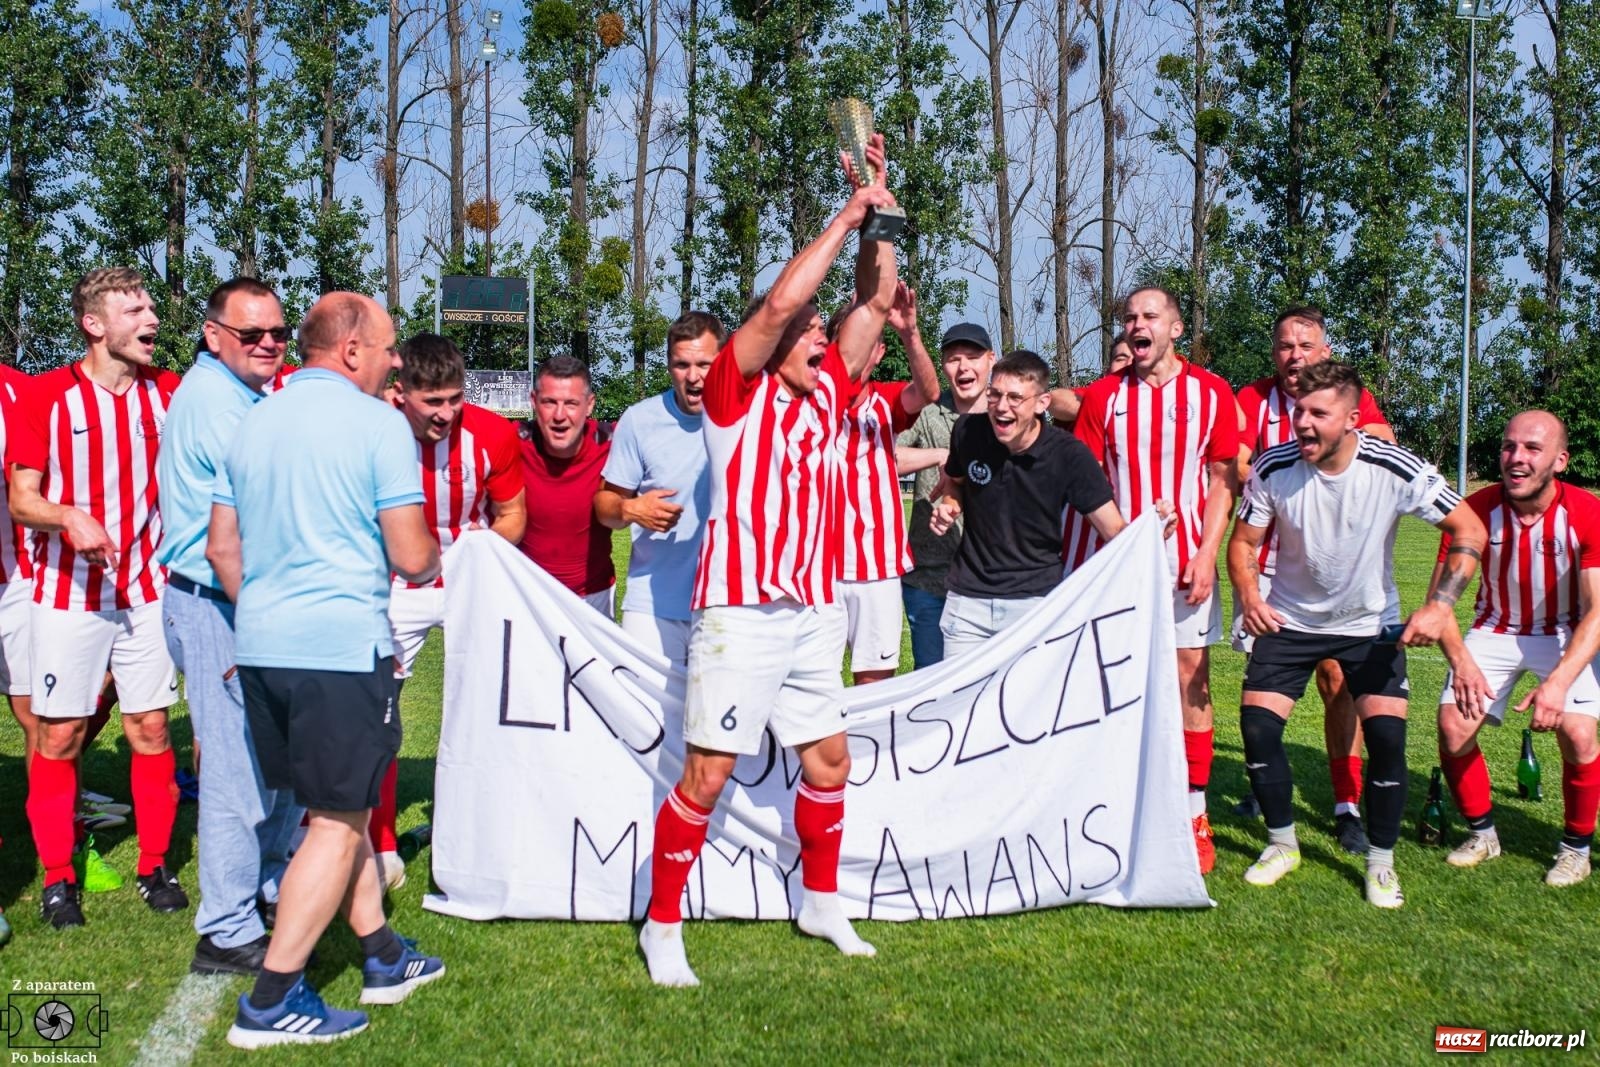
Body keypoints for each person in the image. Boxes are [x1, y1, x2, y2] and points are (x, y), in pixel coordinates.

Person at [638, 138, 900, 988]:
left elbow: (875, 299)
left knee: (829, 761)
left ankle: (820, 899)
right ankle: (662, 922)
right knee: (708, 772)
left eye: (824, 330)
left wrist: (878, 199)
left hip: (814, 610)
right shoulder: (730, 394)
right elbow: (789, 297)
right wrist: (844, 215)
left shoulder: (830, 393)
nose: (825, 334)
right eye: (810, 329)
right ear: (777, 336)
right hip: (741, 610)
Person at [211, 293, 445, 1047]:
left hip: (262, 645)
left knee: (323, 813)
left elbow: (222, 547)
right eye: (385, 348)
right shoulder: (378, 422)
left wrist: (267, 613)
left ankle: (379, 954)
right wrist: (435, 553)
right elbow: (413, 556)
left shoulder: (252, 419)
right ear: (350, 350)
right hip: (340, 648)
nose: (395, 361)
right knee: (340, 822)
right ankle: (272, 998)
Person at [1228, 360, 1484, 908]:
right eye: (1298, 410)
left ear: (1350, 419)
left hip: (1370, 625)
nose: (1301, 422)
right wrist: (1251, 597)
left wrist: (1440, 608)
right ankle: (1281, 844)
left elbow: (1469, 528)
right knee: (1257, 729)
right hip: (1290, 621)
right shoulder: (1273, 467)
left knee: (1388, 741)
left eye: (1318, 413)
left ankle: (1382, 865)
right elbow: (1243, 544)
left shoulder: (1391, 465)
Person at [11, 267, 188, 929]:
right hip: (66, 595)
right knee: (59, 735)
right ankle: (58, 877)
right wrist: (67, 516)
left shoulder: (168, 393)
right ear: (94, 325)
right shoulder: (50, 397)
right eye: (135, 309)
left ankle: (155, 861)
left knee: (149, 727)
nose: (151, 319)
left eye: (151, 306)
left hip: (146, 592)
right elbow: (22, 499)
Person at [1066, 286, 1241, 875]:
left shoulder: (1212, 392)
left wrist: (1206, 552)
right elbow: (1085, 479)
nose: (1136, 326)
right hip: (1114, 561)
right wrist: (1116, 548)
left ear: (1175, 327)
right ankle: (1108, 804)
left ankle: (1193, 812)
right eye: (1128, 318)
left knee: (1191, 678)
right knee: (1105, 679)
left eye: (1149, 316)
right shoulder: (1104, 397)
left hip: (1183, 562)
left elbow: (1223, 479)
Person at [157, 278, 303, 975]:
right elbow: (258, 510)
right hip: (219, 601)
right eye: (253, 335)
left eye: (278, 332)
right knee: (238, 772)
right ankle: (225, 926)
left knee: (275, 762)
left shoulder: (240, 394)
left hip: (239, 599)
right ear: (214, 334)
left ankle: (268, 886)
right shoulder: (217, 401)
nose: (270, 343)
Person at [1233, 305, 1395, 853]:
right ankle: (1266, 784)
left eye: (1306, 346)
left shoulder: (1350, 395)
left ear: (1324, 352)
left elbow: (1380, 444)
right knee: (1261, 680)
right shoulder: (1251, 399)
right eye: (1284, 346)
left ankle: (1346, 802)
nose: (1294, 356)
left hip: (1328, 562)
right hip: (1266, 558)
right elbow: (1235, 465)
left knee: (1335, 678)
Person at [371, 333, 526, 886]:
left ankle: (490, 828)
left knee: (493, 701)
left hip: (471, 582)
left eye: (454, 399)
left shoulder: (491, 431)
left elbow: (511, 515)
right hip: (393, 587)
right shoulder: (373, 429)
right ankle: (381, 843)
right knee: (377, 711)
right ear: (400, 393)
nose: (446, 413)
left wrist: (466, 563)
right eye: (432, 401)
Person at [1433, 411, 1600, 887]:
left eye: (1532, 448)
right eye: (1509, 447)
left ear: (1560, 460)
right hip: (1495, 628)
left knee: (1579, 734)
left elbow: (1597, 612)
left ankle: (1575, 850)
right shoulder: (1475, 511)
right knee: (1452, 726)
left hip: (1567, 631)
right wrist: (1461, 663)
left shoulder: (1587, 513)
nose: (1516, 458)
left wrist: (1559, 684)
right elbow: (1439, 604)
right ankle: (1483, 834)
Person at [929, 349, 1130, 657]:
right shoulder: (967, 431)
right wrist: (950, 504)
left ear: (1042, 403)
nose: (1001, 407)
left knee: (1026, 706)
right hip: (966, 603)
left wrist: (1153, 535)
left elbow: (1114, 530)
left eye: (1014, 398)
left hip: (1034, 605)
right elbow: (955, 483)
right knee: (960, 705)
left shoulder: (1070, 455)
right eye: (994, 395)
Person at [595, 311, 721, 667]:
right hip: (652, 606)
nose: (693, 377)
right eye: (682, 365)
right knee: (644, 720)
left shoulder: (745, 418)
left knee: (713, 720)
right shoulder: (640, 420)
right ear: (668, 367)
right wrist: (629, 509)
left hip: (723, 606)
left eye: (704, 364)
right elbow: (605, 505)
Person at [832, 281, 940, 683]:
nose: (857, 350)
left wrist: (910, 333)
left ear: (878, 352)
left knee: (873, 685)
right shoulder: (810, 402)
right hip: (819, 569)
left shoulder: (886, 403)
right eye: (847, 340)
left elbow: (928, 391)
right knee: (813, 685)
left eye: (867, 342)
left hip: (877, 568)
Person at [894, 323, 994, 668]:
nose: (964, 367)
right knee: (931, 691)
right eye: (953, 359)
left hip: (994, 583)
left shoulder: (1008, 412)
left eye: (973, 358)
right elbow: (886, 459)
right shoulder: (928, 412)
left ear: (991, 361)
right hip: (930, 580)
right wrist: (941, 456)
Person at [517, 357, 615, 616]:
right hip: (527, 598)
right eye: (550, 402)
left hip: (594, 599)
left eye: (571, 403)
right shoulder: (511, 442)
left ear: (589, 404)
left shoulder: (613, 443)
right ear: (534, 401)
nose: (560, 415)